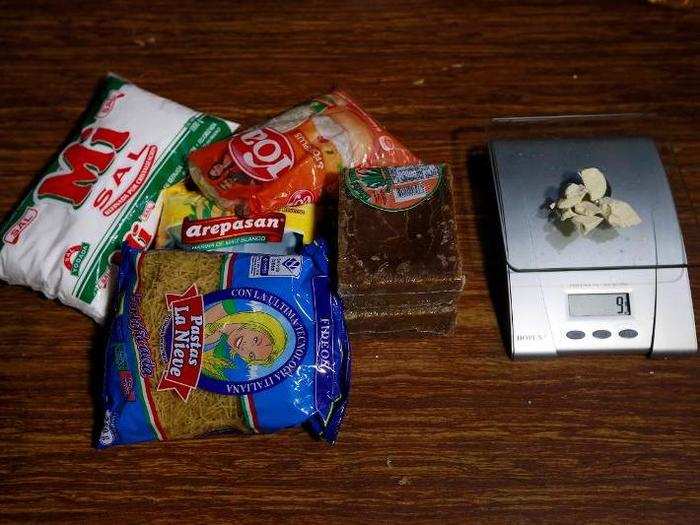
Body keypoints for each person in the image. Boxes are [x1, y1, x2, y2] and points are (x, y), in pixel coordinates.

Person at [201, 301, 287, 382]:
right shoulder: (231, 305)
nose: (245, 347)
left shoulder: (215, 352)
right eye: (256, 340)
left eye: (251, 355)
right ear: (256, 325)